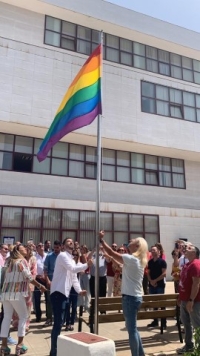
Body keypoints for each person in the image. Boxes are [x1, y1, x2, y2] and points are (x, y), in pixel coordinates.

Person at [99, 231, 148, 356]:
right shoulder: (138, 260)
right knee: (134, 329)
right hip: (136, 297)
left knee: (131, 330)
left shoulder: (131, 258)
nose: (129, 241)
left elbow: (112, 253)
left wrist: (101, 240)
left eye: (133, 241)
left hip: (130, 298)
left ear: (137, 247)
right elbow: (121, 265)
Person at [0, 244, 47, 356]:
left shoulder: (8, 261)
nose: (26, 250)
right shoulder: (21, 261)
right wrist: (40, 286)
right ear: (19, 251)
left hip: (6, 293)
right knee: (23, 316)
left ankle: (4, 346)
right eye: (24, 249)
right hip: (17, 293)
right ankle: (20, 345)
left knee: (6, 318)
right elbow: (29, 276)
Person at [50, 238, 93, 356]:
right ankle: (54, 352)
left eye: (72, 242)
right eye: (68, 241)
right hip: (58, 293)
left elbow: (74, 278)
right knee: (58, 323)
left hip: (64, 294)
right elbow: (73, 269)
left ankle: (55, 350)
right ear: (63, 246)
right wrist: (86, 265)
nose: (71, 242)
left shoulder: (72, 260)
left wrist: (79, 290)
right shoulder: (62, 255)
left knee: (60, 322)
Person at [176, 244, 200, 355]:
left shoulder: (196, 264)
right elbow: (183, 282)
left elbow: (196, 283)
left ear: (194, 253)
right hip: (185, 300)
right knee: (186, 324)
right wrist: (180, 297)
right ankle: (189, 345)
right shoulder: (186, 265)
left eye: (189, 248)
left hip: (194, 301)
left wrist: (191, 300)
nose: (186, 249)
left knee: (197, 325)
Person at [12, 243, 37, 331]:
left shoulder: (33, 259)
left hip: (28, 285)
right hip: (17, 286)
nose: (28, 250)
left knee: (28, 305)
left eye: (30, 249)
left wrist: (31, 283)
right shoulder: (18, 259)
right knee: (17, 305)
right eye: (26, 248)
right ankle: (16, 322)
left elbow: (34, 272)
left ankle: (26, 324)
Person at [147, 246, 167, 328]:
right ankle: (155, 321)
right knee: (154, 304)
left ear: (159, 252)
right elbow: (148, 272)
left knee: (161, 304)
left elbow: (164, 274)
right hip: (151, 286)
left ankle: (163, 323)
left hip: (160, 286)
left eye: (154, 250)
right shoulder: (150, 262)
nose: (153, 251)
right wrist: (151, 281)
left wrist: (155, 281)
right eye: (151, 250)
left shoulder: (162, 262)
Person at [43, 240, 62, 327]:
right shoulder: (49, 256)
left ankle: (58, 318)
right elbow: (45, 270)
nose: (56, 249)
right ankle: (49, 318)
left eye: (57, 247)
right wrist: (47, 280)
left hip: (61, 280)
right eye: (54, 247)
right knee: (49, 300)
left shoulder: (63, 256)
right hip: (51, 279)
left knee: (60, 300)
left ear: (61, 247)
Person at [34, 243, 47, 322]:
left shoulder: (48, 256)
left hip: (46, 279)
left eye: (42, 245)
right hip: (37, 279)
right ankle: (38, 315)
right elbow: (33, 269)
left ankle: (48, 316)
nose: (41, 247)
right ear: (36, 248)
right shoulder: (34, 257)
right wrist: (38, 276)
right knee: (37, 299)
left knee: (48, 298)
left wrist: (46, 277)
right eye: (39, 246)